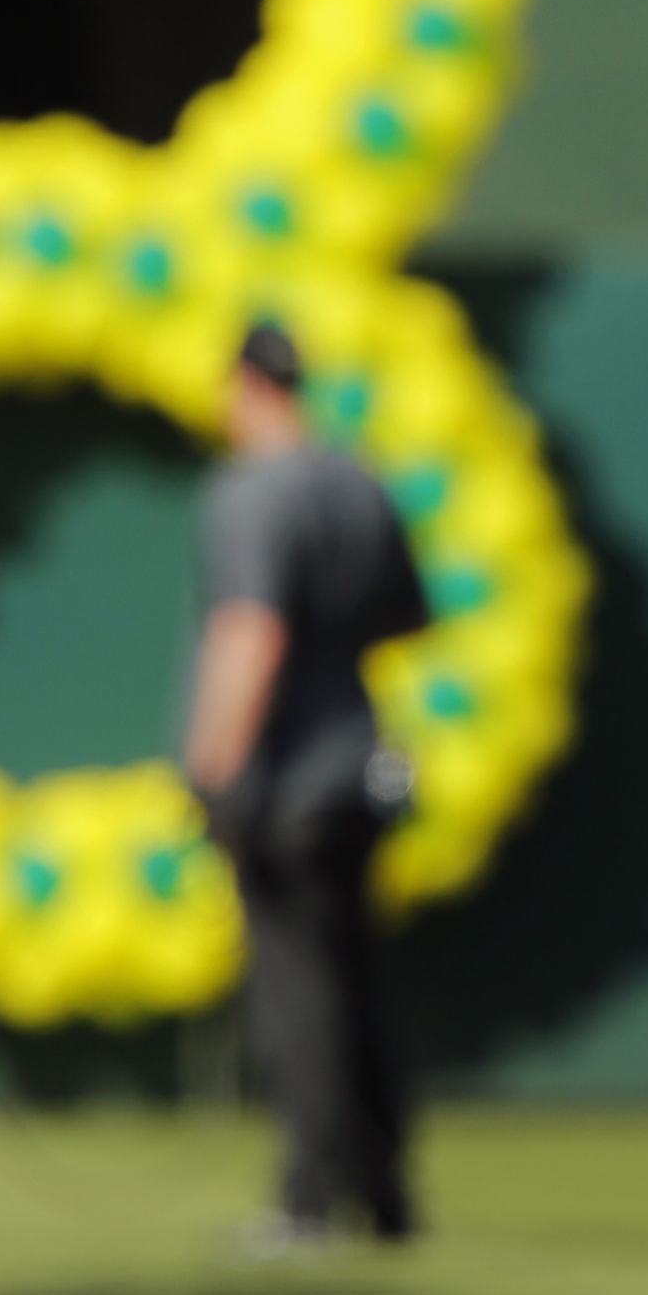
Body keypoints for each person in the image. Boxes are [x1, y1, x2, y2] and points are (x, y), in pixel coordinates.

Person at [183, 322, 429, 1247]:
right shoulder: (358, 480)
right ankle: (387, 1186)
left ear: (245, 382)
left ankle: (313, 1195)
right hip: (357, 762)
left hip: (281, 777)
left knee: (299, 996)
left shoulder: (253, 491)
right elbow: (406, 615)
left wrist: (214, 767)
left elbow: (252, 631)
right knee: (356, 979)